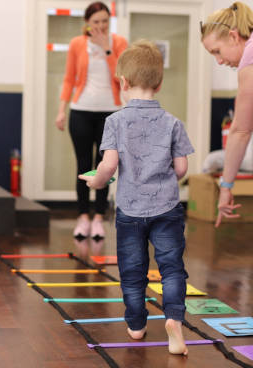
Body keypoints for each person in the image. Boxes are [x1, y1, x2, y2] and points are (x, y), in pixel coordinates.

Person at [79, 40, 194, 355]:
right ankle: (174, 319)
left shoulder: (115, 121)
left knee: (133, 269)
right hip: (168, 207)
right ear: (159, 83)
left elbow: (109, 165)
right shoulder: (173, 123)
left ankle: (136, 324)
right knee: (171, 267)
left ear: (123, 82)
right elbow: (182, 167)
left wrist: (97, 182)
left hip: (130, 210)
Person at [55, 1, 128, 239]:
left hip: (111, 112)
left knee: (104, 167)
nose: (100, 26)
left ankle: (99, 217)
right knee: (84, 165)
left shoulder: (119, 43)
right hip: (81, 110)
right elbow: (68, 79)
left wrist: (107, 48)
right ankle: (83, 217)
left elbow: (123, 77)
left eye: (105, 21)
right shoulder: (77, 44)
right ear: (87, 23)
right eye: (96, 22)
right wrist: (61, 110)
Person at [200, 1, 253, 227]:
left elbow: (241, 131)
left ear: (233, 36)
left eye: (217, 52)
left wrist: (226, 186)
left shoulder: (249, 60)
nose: (219, 61)